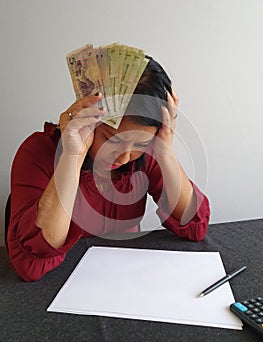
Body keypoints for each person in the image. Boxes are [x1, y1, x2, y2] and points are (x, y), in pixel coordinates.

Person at [6, 56, 210, 281]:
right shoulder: (37, 152)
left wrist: (164, 150)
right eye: (112, 139)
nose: (124, 157)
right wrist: (72, 155)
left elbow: (193, 226)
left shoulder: (146, 154)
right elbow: (30, 265)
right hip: (55, 288)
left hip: (124, 280)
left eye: (140, 144)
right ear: (89, 116)